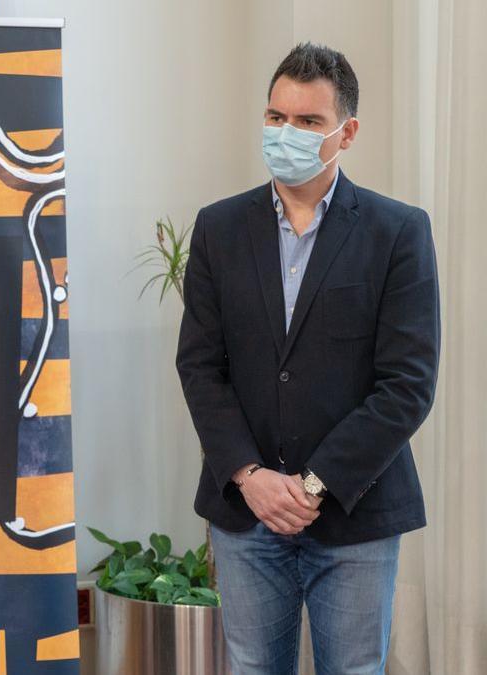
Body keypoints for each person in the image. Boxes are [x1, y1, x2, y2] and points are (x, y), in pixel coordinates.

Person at [176, 43, 440, 674]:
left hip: (355, 512)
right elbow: (200, 367)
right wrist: (250, 477)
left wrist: (313, 486)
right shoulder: (219, 228)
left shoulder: (397, 231)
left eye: (307, 122)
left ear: (345, 132)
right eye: (275, 117)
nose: (285, 134)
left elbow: (407, 384)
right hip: (247, 513)